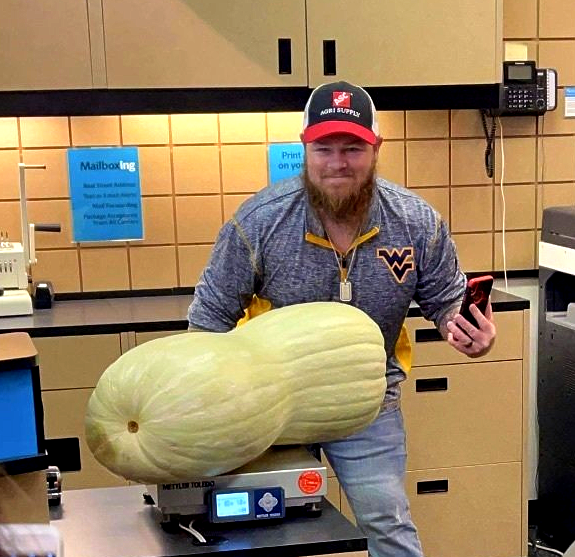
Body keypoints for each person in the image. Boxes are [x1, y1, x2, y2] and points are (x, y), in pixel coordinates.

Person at [187, 80, 497, 557]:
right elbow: (209, 316)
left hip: (368, 405)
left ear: (376, 148)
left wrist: (468, 329)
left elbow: (446, 300)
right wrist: (205, 394)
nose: (338, 163)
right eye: (324, 149)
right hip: (276, 404)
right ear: (304, 147)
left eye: (352, 148)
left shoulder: (416, 222)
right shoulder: (260, 222)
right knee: (269, 529)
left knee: (387, 524)